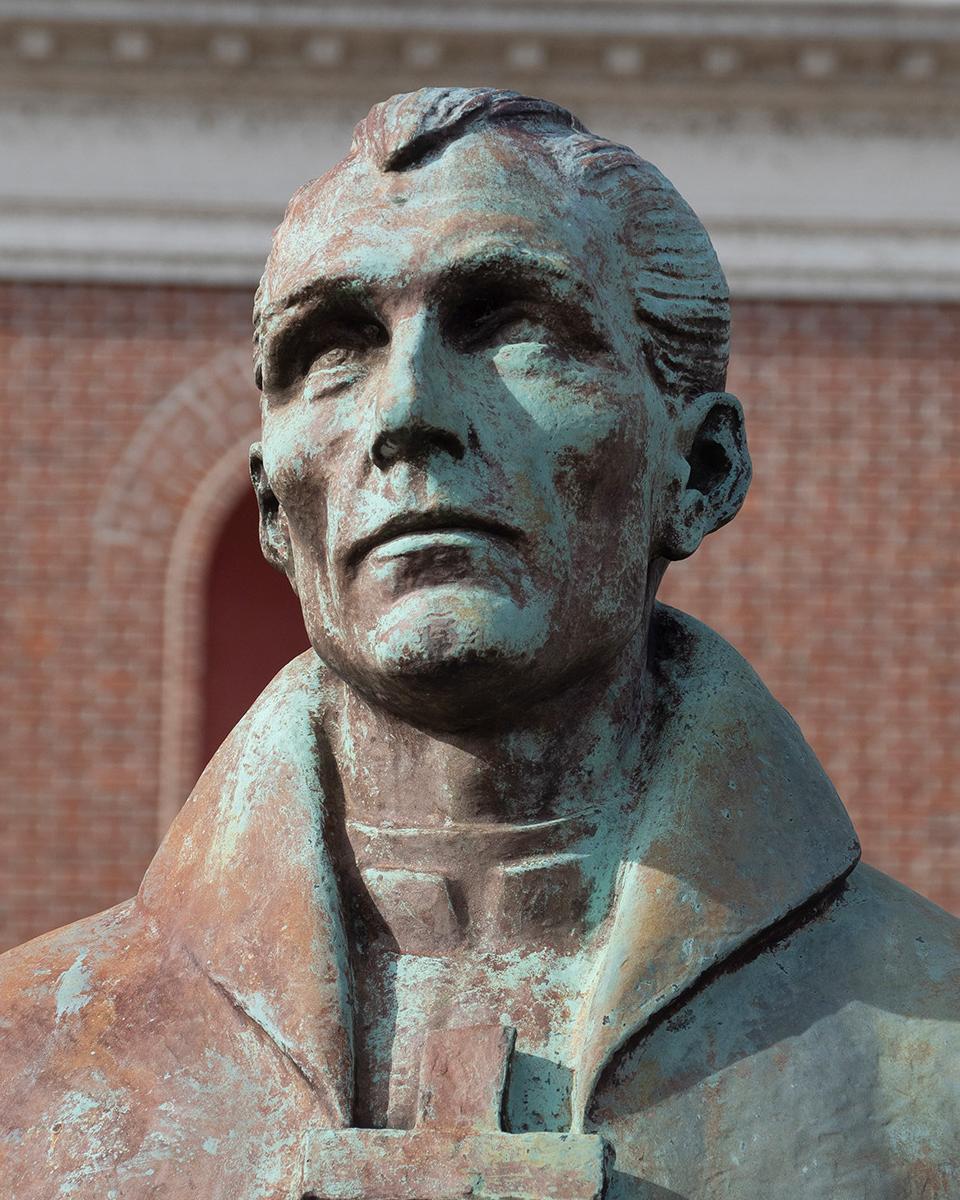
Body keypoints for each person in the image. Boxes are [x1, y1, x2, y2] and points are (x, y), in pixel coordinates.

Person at [1, 88, 956, 1200]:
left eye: (511, 326)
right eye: (335, 349)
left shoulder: (928, 1056)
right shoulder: (30, 1068)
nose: (407, 415)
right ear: (274, 513)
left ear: (696, 475)